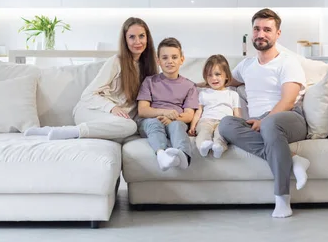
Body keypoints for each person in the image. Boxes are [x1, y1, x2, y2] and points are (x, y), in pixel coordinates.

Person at [218, 8, 311, 218]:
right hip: (258, 123)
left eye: (267, 30)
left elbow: (288, 101)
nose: (261, 34)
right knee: (226, 124)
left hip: (289, 119)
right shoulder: (247, 65)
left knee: (270, 124)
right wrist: (187, 84)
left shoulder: (288, 62)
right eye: (257, 29)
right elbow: (222, 81)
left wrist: (265, 120)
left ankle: (282, 200)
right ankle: (293, 160)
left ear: (278, 34)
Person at [24, 17, 158, 141]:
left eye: (141, 36)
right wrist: (112, 107)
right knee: (129, 127)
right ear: (125, 40)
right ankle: (70, 132)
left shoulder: (149, 67)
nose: (138, 42)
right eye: (132, 37)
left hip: (116, 120)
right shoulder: (117, 62)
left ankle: (53, 131)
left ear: (148, 38)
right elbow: (88, 95)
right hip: (90, 110)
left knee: (127, 127)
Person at [137, 37, 199, 171]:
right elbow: (142, 110)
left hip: (175, 120)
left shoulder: (189, 86)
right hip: (151, 120)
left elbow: (188, 115)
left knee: (177, 126)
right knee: (154, 123)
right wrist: (164, 112)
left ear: (181, 59)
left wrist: (171, 118)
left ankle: (183, 157)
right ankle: (161, 154)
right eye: (165, 58)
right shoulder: (149, 81)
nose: (170, 61)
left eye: (174, 57)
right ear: (158, 61)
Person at [188, 54, 241, 159]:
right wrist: (192, 126)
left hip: (224, 122)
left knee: (221, 134)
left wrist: (238, 127)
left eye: (217, 74)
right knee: (203, 131)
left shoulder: (232, 94)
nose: (214, 78)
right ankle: (203, 145)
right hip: (205, 120)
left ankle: (219, 147)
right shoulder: (203, 93)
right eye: (210, 75)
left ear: (226, 75)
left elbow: (237, 114)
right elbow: (198, 112)